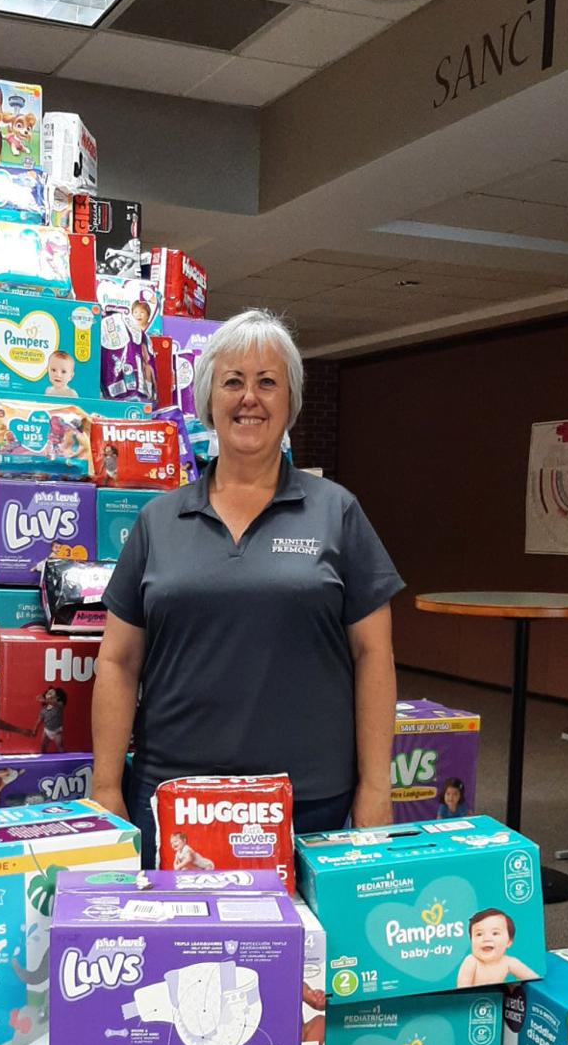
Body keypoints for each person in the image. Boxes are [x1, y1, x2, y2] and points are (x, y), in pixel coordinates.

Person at [92, 308, 403, 862]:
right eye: (232, 381)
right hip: (177, 800)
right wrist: (107, 786)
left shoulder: (338, 513)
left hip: (310, 801)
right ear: (208, 400)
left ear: (291, 403)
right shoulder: (157, 522)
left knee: (310, 950)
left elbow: (373, 655)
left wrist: (376, 788)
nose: (249, 398)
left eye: (267, 382)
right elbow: (118, 662)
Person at [455, 908, 540, 988]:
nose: (486, 939)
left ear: (509, 942)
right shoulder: (471, 961)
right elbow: (461, 988)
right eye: (479, 934)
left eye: (495, 933)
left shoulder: (508, 962)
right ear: (471, 941)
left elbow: (533, 978)